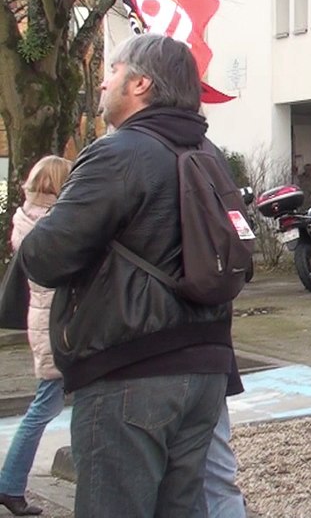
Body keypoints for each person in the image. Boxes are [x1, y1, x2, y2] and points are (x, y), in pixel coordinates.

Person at [8, 33, 238, 517]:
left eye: (110, 72)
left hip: (130, 372)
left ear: (140, 83)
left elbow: (47, 258)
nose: (102, 83)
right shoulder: (209, 154)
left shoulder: (117, 152)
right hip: (207, 370)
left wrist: (32, 231)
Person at [0, 156, 72, 516]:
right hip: (57, 326)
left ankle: (9, 484)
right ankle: (9, 485)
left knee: (49, 403)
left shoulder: (25, 219)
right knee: (45, 405)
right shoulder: (54, 223)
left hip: (42, 321)